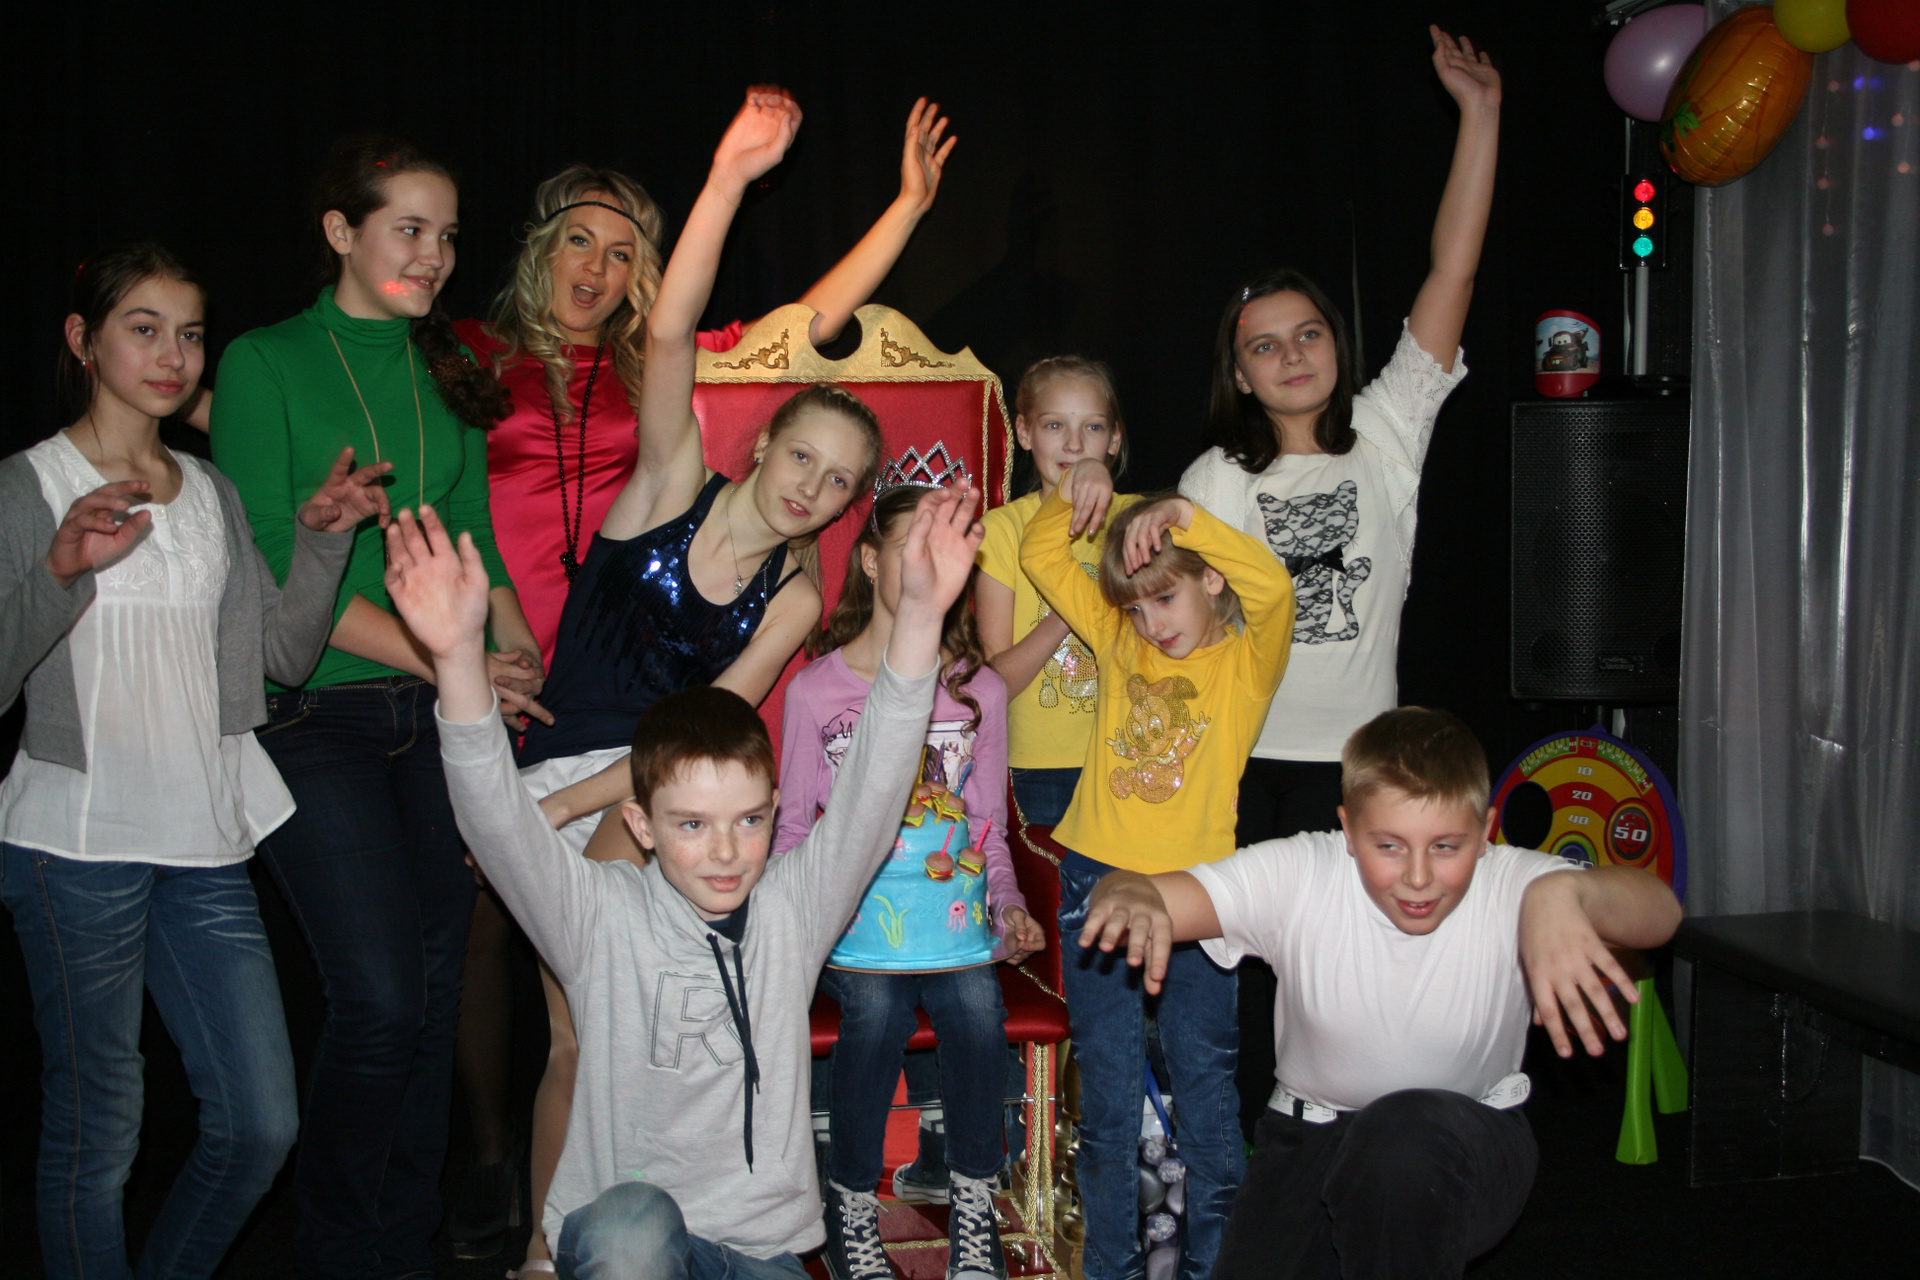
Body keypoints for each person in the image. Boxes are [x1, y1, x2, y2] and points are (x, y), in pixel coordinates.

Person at [443, 99, 955, 1266]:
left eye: (840, 483)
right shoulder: (671, 476)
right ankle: (549, 1245)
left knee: (594, 1037)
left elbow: (704, 734)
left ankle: (589, 1242)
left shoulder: (796, 595)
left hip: (649, 795)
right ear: (763, 443)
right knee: (572, 1038)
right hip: (558, 755)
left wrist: (564, 810)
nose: (811, 487)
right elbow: (669, 329)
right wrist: (728, 176)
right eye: (802, 457)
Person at [378, 478, 985, 1280]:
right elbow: (497, 824)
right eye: (692, 825)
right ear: (641, 826)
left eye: (748, 820)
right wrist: (459, 660)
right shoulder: (598, 915)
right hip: (632, 1244)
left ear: (774, 811)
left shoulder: (792, 909)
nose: (726, 851)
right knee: (634, 1226)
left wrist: (920, 617)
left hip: (761, 1251)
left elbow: (875, 786)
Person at [0, 242, 387, 1280]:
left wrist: (321, 542)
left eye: (190, 334)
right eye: (144, 329)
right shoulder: (27, 485)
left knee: (261, 1124)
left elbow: (282, 658)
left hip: (205, 842)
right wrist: (58, 571)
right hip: (74, 844)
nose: (173, 355)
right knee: (98, 1128)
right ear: (82, 340)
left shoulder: (212, 492)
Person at [208, 133, 544, 1280]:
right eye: (409, 228)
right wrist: (449, 659)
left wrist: (511, 651)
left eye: (447, 235)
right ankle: (342, 1249)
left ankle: (404, 1243)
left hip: (438, 714)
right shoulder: (263, 361)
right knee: (382, 1000)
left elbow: (475, 533)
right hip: (316, 716)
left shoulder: (444, 365)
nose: (434, 254)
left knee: (438, 991)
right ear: (341, 232)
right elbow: (270, 563)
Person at [1175, 27, 1500, 1137]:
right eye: (1264, 345)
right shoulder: (1215, 477)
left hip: (1362, 765)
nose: (1292, 355)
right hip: (1244, 765)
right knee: (1246, 997)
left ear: (1335, 342)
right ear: (1239, 371)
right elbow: (1179, 630)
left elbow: (1452, 271)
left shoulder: (1390, 430)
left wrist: (1479, 116)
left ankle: (1371, 1147)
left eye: (1307, 333)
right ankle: (1250, 1173)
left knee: (1359, 985)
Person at [1076, 706, 1684, 1278]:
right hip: (1308, 1138)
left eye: (1446, 846)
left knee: (1397, 1142)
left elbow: (1662, 914)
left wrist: (1564, 893)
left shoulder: (1513, 881)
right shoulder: (1303, 872)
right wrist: (1126, 890)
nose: (1418, 876)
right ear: (1348, 829)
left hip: (1469, 1143)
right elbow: (1148, 893)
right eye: (1389, 846)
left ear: (1486, 832)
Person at [1019, 462, 1295, 1280]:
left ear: (1210, 579)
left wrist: (1184, 515)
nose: (1150, 623)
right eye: (1136, 608)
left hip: (1197, 899)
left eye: (1164, 598)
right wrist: (1074, 492)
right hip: (1097, 883)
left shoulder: (1243, 665)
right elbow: (1040, 556)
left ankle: (1214, 1267)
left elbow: (1273, 588)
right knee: (1107, 1105)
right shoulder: (1119, 641)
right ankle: (1111, 1267)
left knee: (1207, 1098)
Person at [775, 483, 1046, 1280]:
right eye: (910, 547)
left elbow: (986, 827)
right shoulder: (816, 690)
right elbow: (792, 830)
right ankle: (852, 1203)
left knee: (975, 1001)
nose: (928, 563)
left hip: (951, 925)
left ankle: (974, 1202)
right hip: (851, 927)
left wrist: (1009, 905)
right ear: (869, 561)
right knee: (877, 1006)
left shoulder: (977, 691)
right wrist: (792, 933)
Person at [974, 355, 1138, 828]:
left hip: (1132, 755)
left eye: (1093, 427)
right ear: (1024, 433)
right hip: (1040, 768)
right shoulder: (1003, 530)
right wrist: (1073, 605)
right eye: (1054, 425)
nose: (1074, 444)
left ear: (1114, 439)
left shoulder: (1139, 520)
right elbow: (994, 684)